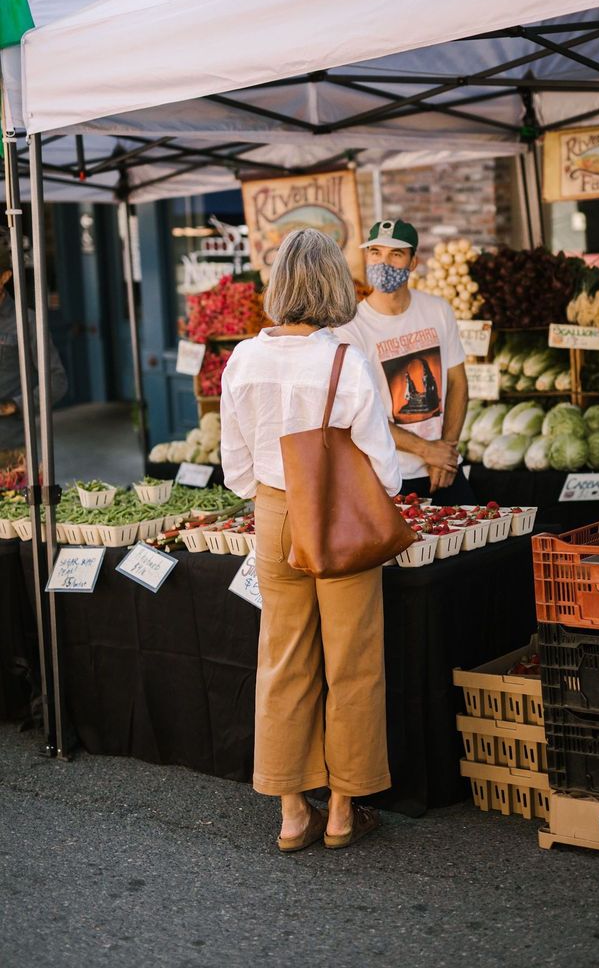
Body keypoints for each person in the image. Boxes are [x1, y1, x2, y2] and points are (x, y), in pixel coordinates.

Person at [220, 228, 402, 854]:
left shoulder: (242, 359)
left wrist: (273, 493)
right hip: (339, 516)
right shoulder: (343, 361)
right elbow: (384, 465)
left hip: (271, 512)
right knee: (352, 662)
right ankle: (344, 808)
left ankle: (292, 810)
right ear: (331, 285)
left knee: (283, 657)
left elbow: (235, 466)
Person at [334, 218, 474, 505]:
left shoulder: (437, 310)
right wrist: (427, 450)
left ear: (413, 263)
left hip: (443, 467)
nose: (383, 262)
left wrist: (445, 452)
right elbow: (363, 414)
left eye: (395, 254)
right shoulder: (350, 328)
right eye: (375, 253)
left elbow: (458, 383)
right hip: (389, 475)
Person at [0, 232, 67, 473]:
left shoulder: (26, 322)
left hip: (10, 451)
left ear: (5, 277)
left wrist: (13, 405)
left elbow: (57, 381)